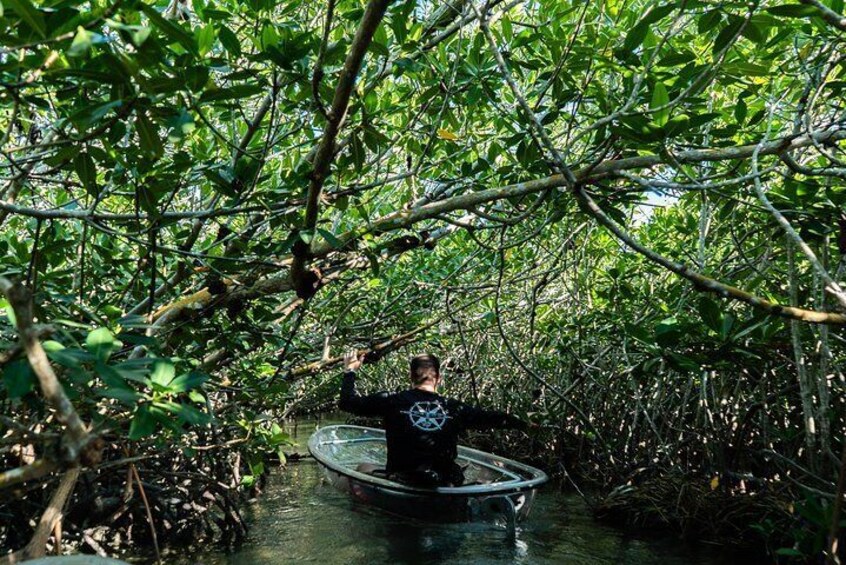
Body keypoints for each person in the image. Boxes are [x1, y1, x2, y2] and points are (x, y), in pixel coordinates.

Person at [339, 351, 527, 487]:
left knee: (363, 467)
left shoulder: (391, 401)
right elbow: (494, 419)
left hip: (404, 480)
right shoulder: (455, 408)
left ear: (410, 376)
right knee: (493, 466)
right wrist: (525, 425)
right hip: (446, 482)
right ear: (439, 378)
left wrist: (350, 371)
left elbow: (348, 402)